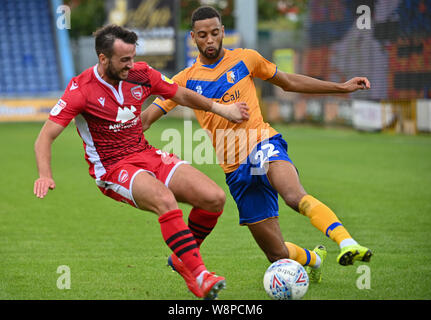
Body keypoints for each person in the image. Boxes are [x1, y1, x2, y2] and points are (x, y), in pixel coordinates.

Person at [143, 6, 373, 284]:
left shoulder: (246, 59)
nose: (210, 40)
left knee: (292, 195)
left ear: (223, 33)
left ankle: (347, 242)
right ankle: (314, 259)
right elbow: (146, 119)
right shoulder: (183, 81)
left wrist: (341, 88)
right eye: (203, 35)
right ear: (193, 37)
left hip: (262, 144)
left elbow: (287, 82)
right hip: (236, 171)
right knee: (276, 254)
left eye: (215, 33)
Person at [33, 24, 250, 299]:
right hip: (113, 168)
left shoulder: (140, 74)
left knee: (214, 198)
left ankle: (183, 259)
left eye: (132, 57)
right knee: (165, 200)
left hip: (146, 153)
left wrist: (221, 108)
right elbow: (44, 137)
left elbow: (179, 93)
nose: (130, 65)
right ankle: (200, 274)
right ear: (103, 58)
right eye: (124, 60)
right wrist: (45, 174)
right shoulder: (80, 90)